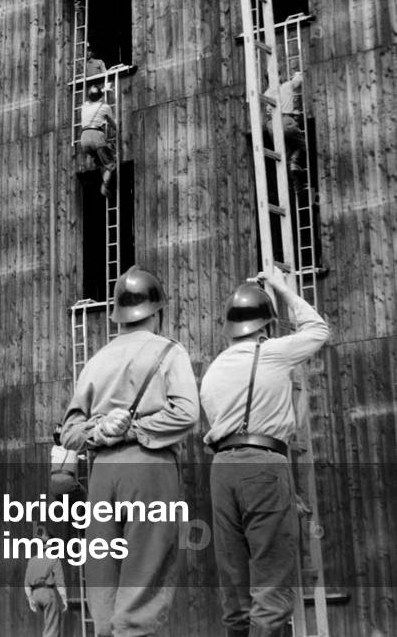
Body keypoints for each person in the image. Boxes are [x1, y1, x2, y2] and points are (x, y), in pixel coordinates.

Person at [61, 266, 199, 637]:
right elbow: (187, 413)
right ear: (157, 313)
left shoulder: (95, 362)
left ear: (118, 316)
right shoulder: (169, 351)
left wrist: (102, 431)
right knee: (146, 569)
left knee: (103, 570)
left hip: (103, 474)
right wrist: (135, 429)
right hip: (149, 468)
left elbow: (68, 433)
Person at [200, 269, 330, 637]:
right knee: (271, 584)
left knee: (235, 586)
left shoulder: (214, 370)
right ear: (266, 326)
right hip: (263, 464)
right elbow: (317, 329)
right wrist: (282, 287)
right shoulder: (270, 352)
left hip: (222, 470)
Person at [24, 526, 67, 637]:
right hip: (47, 593)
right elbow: (60, 582)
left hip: (35, 594)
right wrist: (64, 599)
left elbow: (27, 584)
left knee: (47, 624)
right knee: (52, 627)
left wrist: (30, 599)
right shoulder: (54, 559)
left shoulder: (32, 560)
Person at [265, 71, 306, 187]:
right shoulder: (287, 86)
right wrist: (297, 74)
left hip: (272, 127)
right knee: (302, 145)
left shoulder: (266, 94)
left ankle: (295, 182)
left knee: (284, 157)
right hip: (285, 121)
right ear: (278, 76)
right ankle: (294, 162)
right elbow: (299, 80)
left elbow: (268, 112)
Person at [80, 84, 117, 197]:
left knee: (101, 163)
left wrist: (103, 90)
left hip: (84, 139)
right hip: (96, 136)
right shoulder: (105, 107)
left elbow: (93, 99)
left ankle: (104, 180)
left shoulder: (84, 106)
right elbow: (113, 124)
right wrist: (117, 129)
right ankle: (104, 186)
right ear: (101, 96)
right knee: (111, 165)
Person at [48, 423, 84, 499]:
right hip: (67, 483)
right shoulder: (73, 447)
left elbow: (64, 454)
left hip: (53, 486)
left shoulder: (54, 449)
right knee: (84, 495)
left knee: (65, 502)